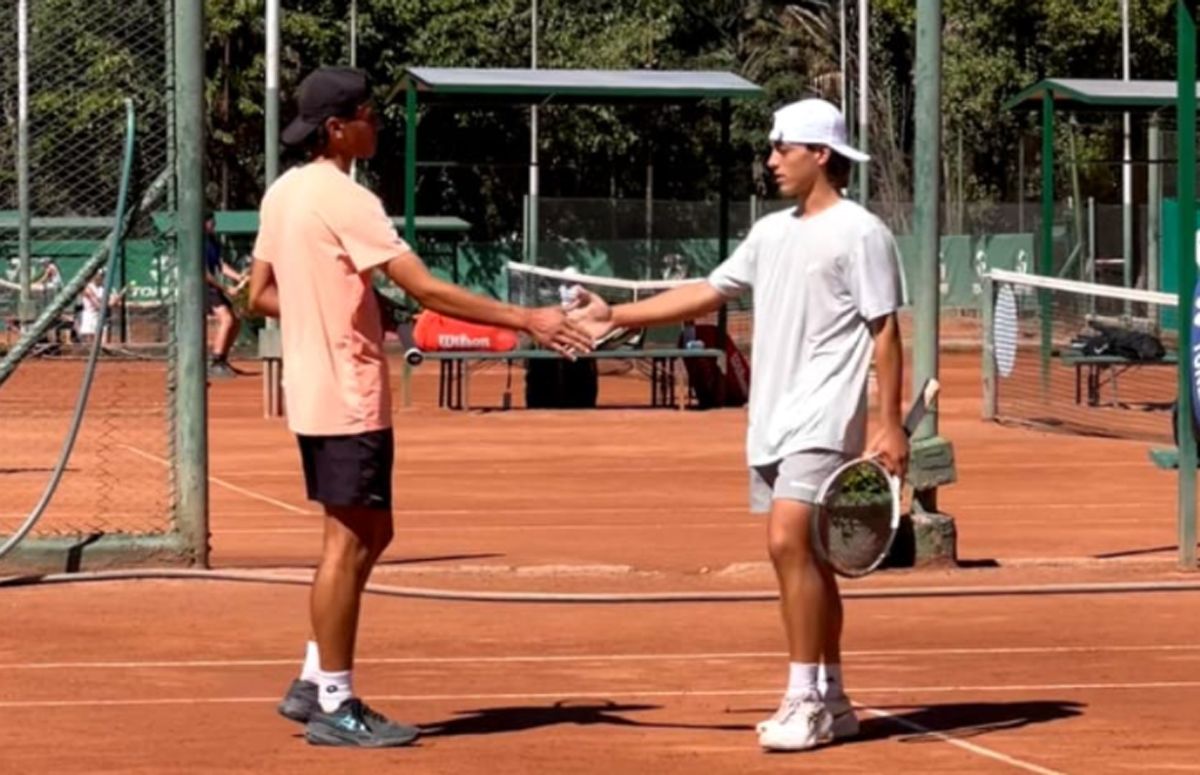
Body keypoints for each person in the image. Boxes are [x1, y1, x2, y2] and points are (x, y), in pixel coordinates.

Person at [246, 66, 591, 749]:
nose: (378, 123)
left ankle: (316, 676)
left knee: (372, 533)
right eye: (369, 113)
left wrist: (337, 308)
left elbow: (257, 293)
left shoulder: (283, 192)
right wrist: (528, 318)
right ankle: (335, 703)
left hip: (320, 392)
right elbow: (427, 290)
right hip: (347, 394)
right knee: (349, 544)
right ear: (336, 128)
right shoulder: (348, 198)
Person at [569, 98, 907, 752]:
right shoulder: (770, 232)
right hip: (770, 419)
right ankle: (833, 698)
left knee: (786, 541)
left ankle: (803, 697)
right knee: (810, 557)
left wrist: (890, 423)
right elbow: (708, 291)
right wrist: (616, 316)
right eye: (772, 148)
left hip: (824, 417)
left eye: (784, 148)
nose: (771, 159)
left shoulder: (862, 232)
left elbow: (886, 330)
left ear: (822, 156)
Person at [204, 215, 245, 378]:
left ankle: (222, 359)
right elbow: (204, 274)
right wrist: (227, 288)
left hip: (212, 287)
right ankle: (215, 362)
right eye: (210, 221)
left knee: (236, 320)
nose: (213, 224)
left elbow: (220, 264)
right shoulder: (196, 242)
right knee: (226, 319)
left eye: (213, 221)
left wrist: (239, 277)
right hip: (201, 287)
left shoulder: (212, 240)